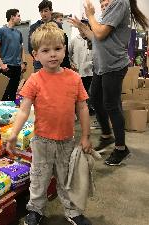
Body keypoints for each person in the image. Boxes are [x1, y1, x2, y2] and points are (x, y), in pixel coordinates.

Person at [7, 22, 92, 225]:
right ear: (36, 55)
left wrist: (85, 136)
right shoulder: (34, 80)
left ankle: (72, 211)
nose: (52, 54)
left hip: (67, 141)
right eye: (46, 50)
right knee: (39, 178)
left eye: (57, 48)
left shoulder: (74, 78)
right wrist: (13, 134)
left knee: (66, 179)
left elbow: (82, 108)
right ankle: (36, 209)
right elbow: (24, 110)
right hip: (42, 141)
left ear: (64, 49)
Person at [70, 0, 148, 166]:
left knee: (111, 105)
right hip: (102, 66)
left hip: (113, 65)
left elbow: (99, 34)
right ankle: (107, 136)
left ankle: (121, 148)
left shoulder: (120, 2)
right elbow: (96, 37)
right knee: (95, 99)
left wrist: (90, 15)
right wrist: (82, 27)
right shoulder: (113, 8)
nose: (102, 3)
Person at [0, 8, 27, 101]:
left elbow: (21, 48)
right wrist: (1, 64)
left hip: (17, 67)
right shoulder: (1, 30)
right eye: (18, 16)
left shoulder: (18, 33)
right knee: (4, 94)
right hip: (6, 66)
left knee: (13, 94)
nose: (20, 18)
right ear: (12, 17)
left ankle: (12, 114)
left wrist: (23, 62)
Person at [28, 0, 70, 71]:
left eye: (46, 10)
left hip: (56, 63)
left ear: (51, 11)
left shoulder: (58, 25)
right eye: (41, 11)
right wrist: (41, 58)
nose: (43, 13)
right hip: (40, 64)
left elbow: (63, 43)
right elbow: (31, 46)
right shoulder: (34, 27)